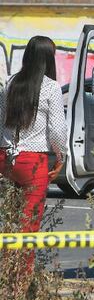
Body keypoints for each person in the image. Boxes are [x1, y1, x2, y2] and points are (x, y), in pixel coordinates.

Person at [0, 36, 68, 279]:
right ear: (49, 58)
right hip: (33, 162)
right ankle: (20, 281)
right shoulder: (51, 87)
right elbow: (57, 130)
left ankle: (5, 273)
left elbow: (0, 122)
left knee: (9, 221)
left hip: (6, 159)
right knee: (28, 226)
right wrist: (61, 157)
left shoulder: (11, 82)